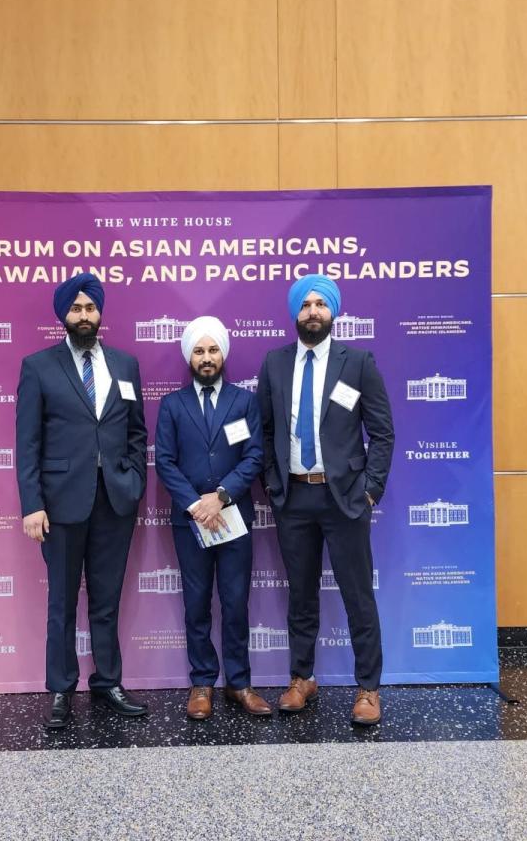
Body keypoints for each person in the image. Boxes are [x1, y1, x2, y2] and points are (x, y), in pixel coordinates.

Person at [257, 275, 394, 725]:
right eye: (305, 305)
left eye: (320, 304)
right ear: (294, 313)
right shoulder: (274, 364)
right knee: (301, 595)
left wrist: (370, 489)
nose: (312, 311)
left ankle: (368, 689)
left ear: (333, 312)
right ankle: (302, 678)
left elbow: (382, 432)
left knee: (357, 595)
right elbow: (266, 432)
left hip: (344, 499)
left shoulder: (357, 362)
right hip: (294, 497)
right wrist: (275, 486)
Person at [16, 273, 148, 729]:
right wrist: (32, 504)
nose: (84, 315)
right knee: (62, 601)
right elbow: (27, 443)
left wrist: (132, 483)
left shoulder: (126, 365)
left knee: (107, 599)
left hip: (114, 501)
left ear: (100, 313)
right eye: (76, 309)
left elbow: (136, 433)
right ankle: (60, 688)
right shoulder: (38, 367)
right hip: (60, 504)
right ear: (63, 316)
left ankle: (108, 681)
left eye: (90, 308)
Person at [154, 316, 271, 720]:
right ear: (190, 356)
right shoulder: (172, 405)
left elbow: (255, 455)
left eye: (213, 349)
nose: (207, 358)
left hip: (233, 517)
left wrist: (220, 497)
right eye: (199, 351)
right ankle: (202, 682)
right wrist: (196, 504)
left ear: (224, 354)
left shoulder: (245, 402)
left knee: (236, 602)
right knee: (197, 603)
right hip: (191, 522)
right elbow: (165, 462)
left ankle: (239, 683)